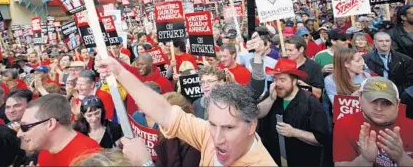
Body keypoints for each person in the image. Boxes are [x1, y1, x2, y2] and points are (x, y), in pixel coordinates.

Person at [99, 57, 276, 166]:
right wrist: (120, 72)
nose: (217, 137)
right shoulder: (207, 133)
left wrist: (144, 163)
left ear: (251, 125)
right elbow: (165, 112)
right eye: (213, 124)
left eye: (229, 128)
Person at [257, 58, 330, 166]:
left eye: (282, 80)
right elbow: (258, 114)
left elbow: (321, 138)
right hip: (272, 160)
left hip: (301, 161)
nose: (277, 84)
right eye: (275, 79)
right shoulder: (272, 94)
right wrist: (270, 99)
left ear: (294, 81)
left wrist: (294, 132)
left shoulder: (310, 102)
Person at [333, 77, 413, 166]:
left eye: (387, 103)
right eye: (373, 101)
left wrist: (402, 158)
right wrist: (364, 160)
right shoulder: (344, 124)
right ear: (360, 97)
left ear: (397, 103)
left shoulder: (410, 127)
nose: (378, 108)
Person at [17, 94, 100, 166]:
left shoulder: (88, 157)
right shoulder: (46, 147)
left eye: (25, 127)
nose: (19, 134)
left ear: (50, 124)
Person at [156, 92, 201, 167]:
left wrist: (146, 162)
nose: (159, 121)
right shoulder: (164, 136)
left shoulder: (196, 141)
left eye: (164, 116)